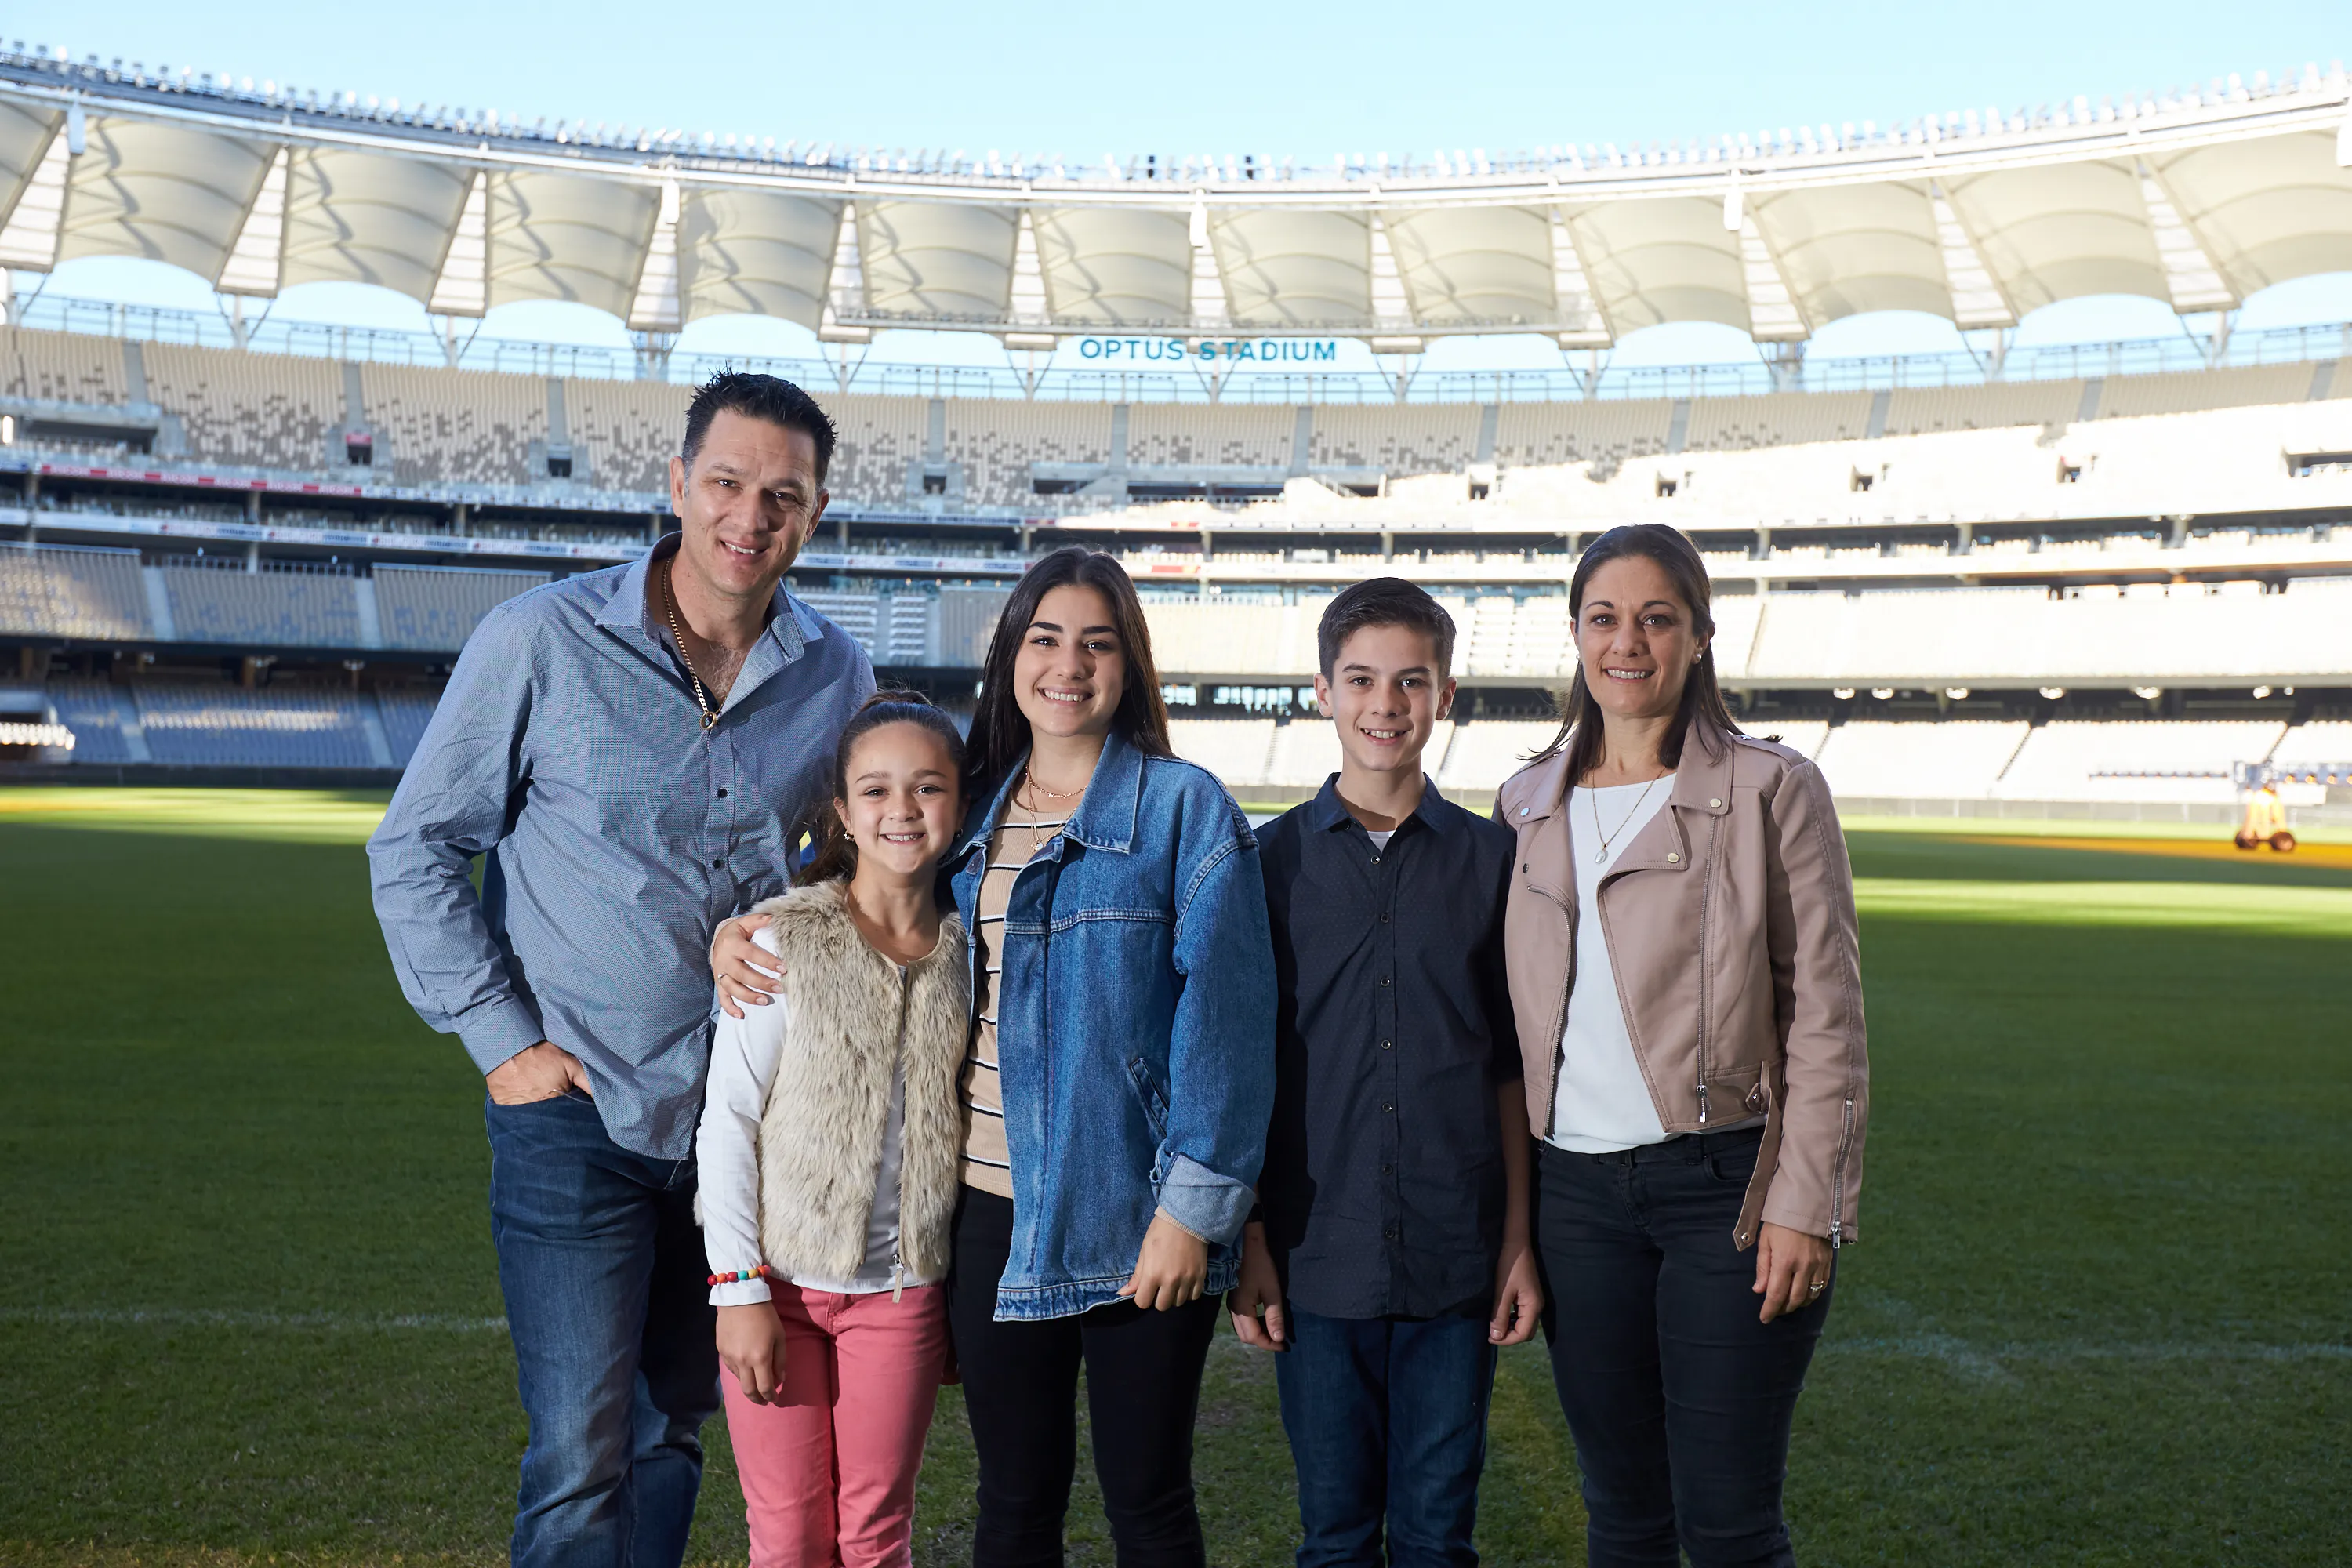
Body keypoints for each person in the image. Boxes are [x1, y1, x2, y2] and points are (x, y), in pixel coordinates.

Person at [368, 371, 875, 1568]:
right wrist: (505, 1045)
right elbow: (416, 847)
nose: (751, 515)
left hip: (740, 1125)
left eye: (784, 495)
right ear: (679, 483)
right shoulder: (539, 639)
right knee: (579, 1454)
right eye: (728, 482)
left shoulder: (836, 676)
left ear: (815, 515)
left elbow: (851, 880)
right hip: (574, 1110)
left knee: (668, 1432)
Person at [718, 545, 1275, 1568]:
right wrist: (741, 931)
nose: (1070, 664)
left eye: (1098, 643)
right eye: (1046, 638)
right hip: (986, 1215)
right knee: (1014, 1502)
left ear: (1129, 664)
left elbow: (1231, 1029)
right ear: (1012, 655)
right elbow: (858, 892)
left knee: (1149, 1499)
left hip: (1136, 1213)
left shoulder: (1183, 809)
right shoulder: (967, 805)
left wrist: (1193, 1212)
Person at [1494, 524, 1868, 1568]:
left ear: (1700, 635)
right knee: (1622, 1516)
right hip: (1575, 1201)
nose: (1628, 641)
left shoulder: (1771, 787)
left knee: (1730, 1525)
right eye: (1604, 618)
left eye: (1657, 618)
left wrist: (1806, 1201)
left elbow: (1827, 1013)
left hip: (1728, 1193)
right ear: (1575, 634)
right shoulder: (1525, 803)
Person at [1229, 579, 1541, 1568]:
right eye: (1361, 679)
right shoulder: (1265, 863)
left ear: (1445, 694)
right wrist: (1251, 1238)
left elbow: (1510, 1069)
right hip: (1318, 1255)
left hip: (1457, 1253)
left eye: (1411, 680)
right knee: (1334, 1535)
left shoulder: (1496, 861)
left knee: (1438, 1535)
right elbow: (1243, 1067)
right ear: (1324, 691)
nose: (1386, 702)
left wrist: (1517, 1240)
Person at [698, 691, 971, 1568]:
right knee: (787, 1538)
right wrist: (738, 1287)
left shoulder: (973, 952)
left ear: (959, 801)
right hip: (776, 1286)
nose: (902, 809)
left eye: (927, 786)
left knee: (876, 1534)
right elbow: (728, 1119)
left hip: (901, 1294)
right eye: (876, 790)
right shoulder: (782, 941)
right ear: (845, 814)